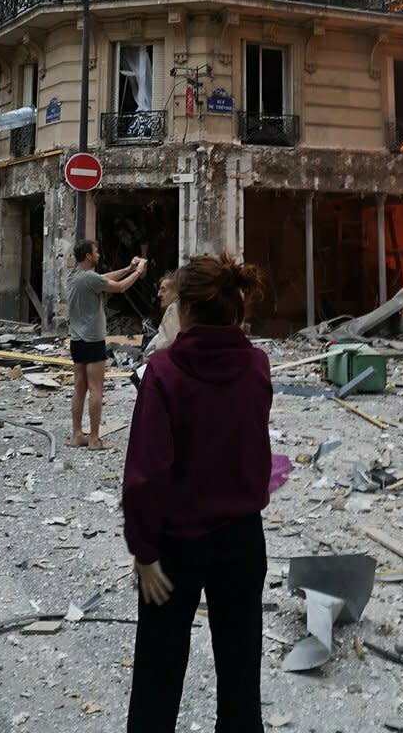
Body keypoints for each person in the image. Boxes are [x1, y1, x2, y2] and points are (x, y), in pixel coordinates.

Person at [123, 251, 271, 733]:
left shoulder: (163, 375)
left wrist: (144, 552)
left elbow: (146, 475)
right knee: (240, 678)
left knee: (157, 679)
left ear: (184, 310)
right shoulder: (256, 367)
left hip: (176, 546)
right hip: (243, 541)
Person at [67, 239, 146, 450]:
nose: (99, 255)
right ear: (88, 256)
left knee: (79, 388)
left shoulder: (75, 276)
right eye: (96, 252)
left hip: (77, 341)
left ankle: (76, 435)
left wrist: (128, 267)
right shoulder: (89, 278)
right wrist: (138, 272)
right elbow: (118, 287)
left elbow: (103, 279)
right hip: (93, 341)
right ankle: (94, 439)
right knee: (96, 390)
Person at [144, 271, 181, 358]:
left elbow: (164, 345)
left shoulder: (174, 309)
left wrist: (149, 357)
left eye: (163, 290)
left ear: (176, 291)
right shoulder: (181, 309)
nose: (159, 294)